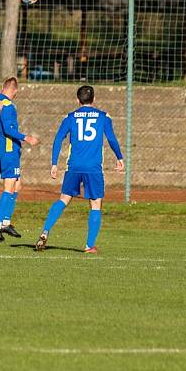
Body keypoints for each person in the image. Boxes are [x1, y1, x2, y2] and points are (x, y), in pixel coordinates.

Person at [35, 85, 124, 253]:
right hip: (93, 168)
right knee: (95, 203)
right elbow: (111, 139)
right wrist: (119, 157)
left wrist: (54, 163)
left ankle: (45, 231)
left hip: (73, 166)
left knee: (64, 199)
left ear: (78, 100)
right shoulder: (103, 117)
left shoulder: (70, 117)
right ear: (94, 99)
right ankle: (89, 245)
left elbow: (58, 139)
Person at [0, 77, 39, 241]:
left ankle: (6, 222)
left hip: (1, 149)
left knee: (17, 184)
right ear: (14, 90)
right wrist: (26, 138)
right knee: (9, 186)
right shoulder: (8, 106)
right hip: (9, 150)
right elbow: (9, 130)